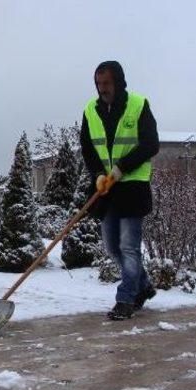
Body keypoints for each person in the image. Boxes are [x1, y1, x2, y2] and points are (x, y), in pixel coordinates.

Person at [80, 61, 160, 320]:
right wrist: (99, 174)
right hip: (107, 189)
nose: (102, 89)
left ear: (119, 82)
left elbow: (151, 144)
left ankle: (126, 299)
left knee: (129, 247)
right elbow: (88, 148)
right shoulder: (91, 110)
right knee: (113, 246)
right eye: (99, 84)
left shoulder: (138, 105)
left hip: (132, 186)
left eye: (107, 84)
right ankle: (144, 285)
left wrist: (122, 168)